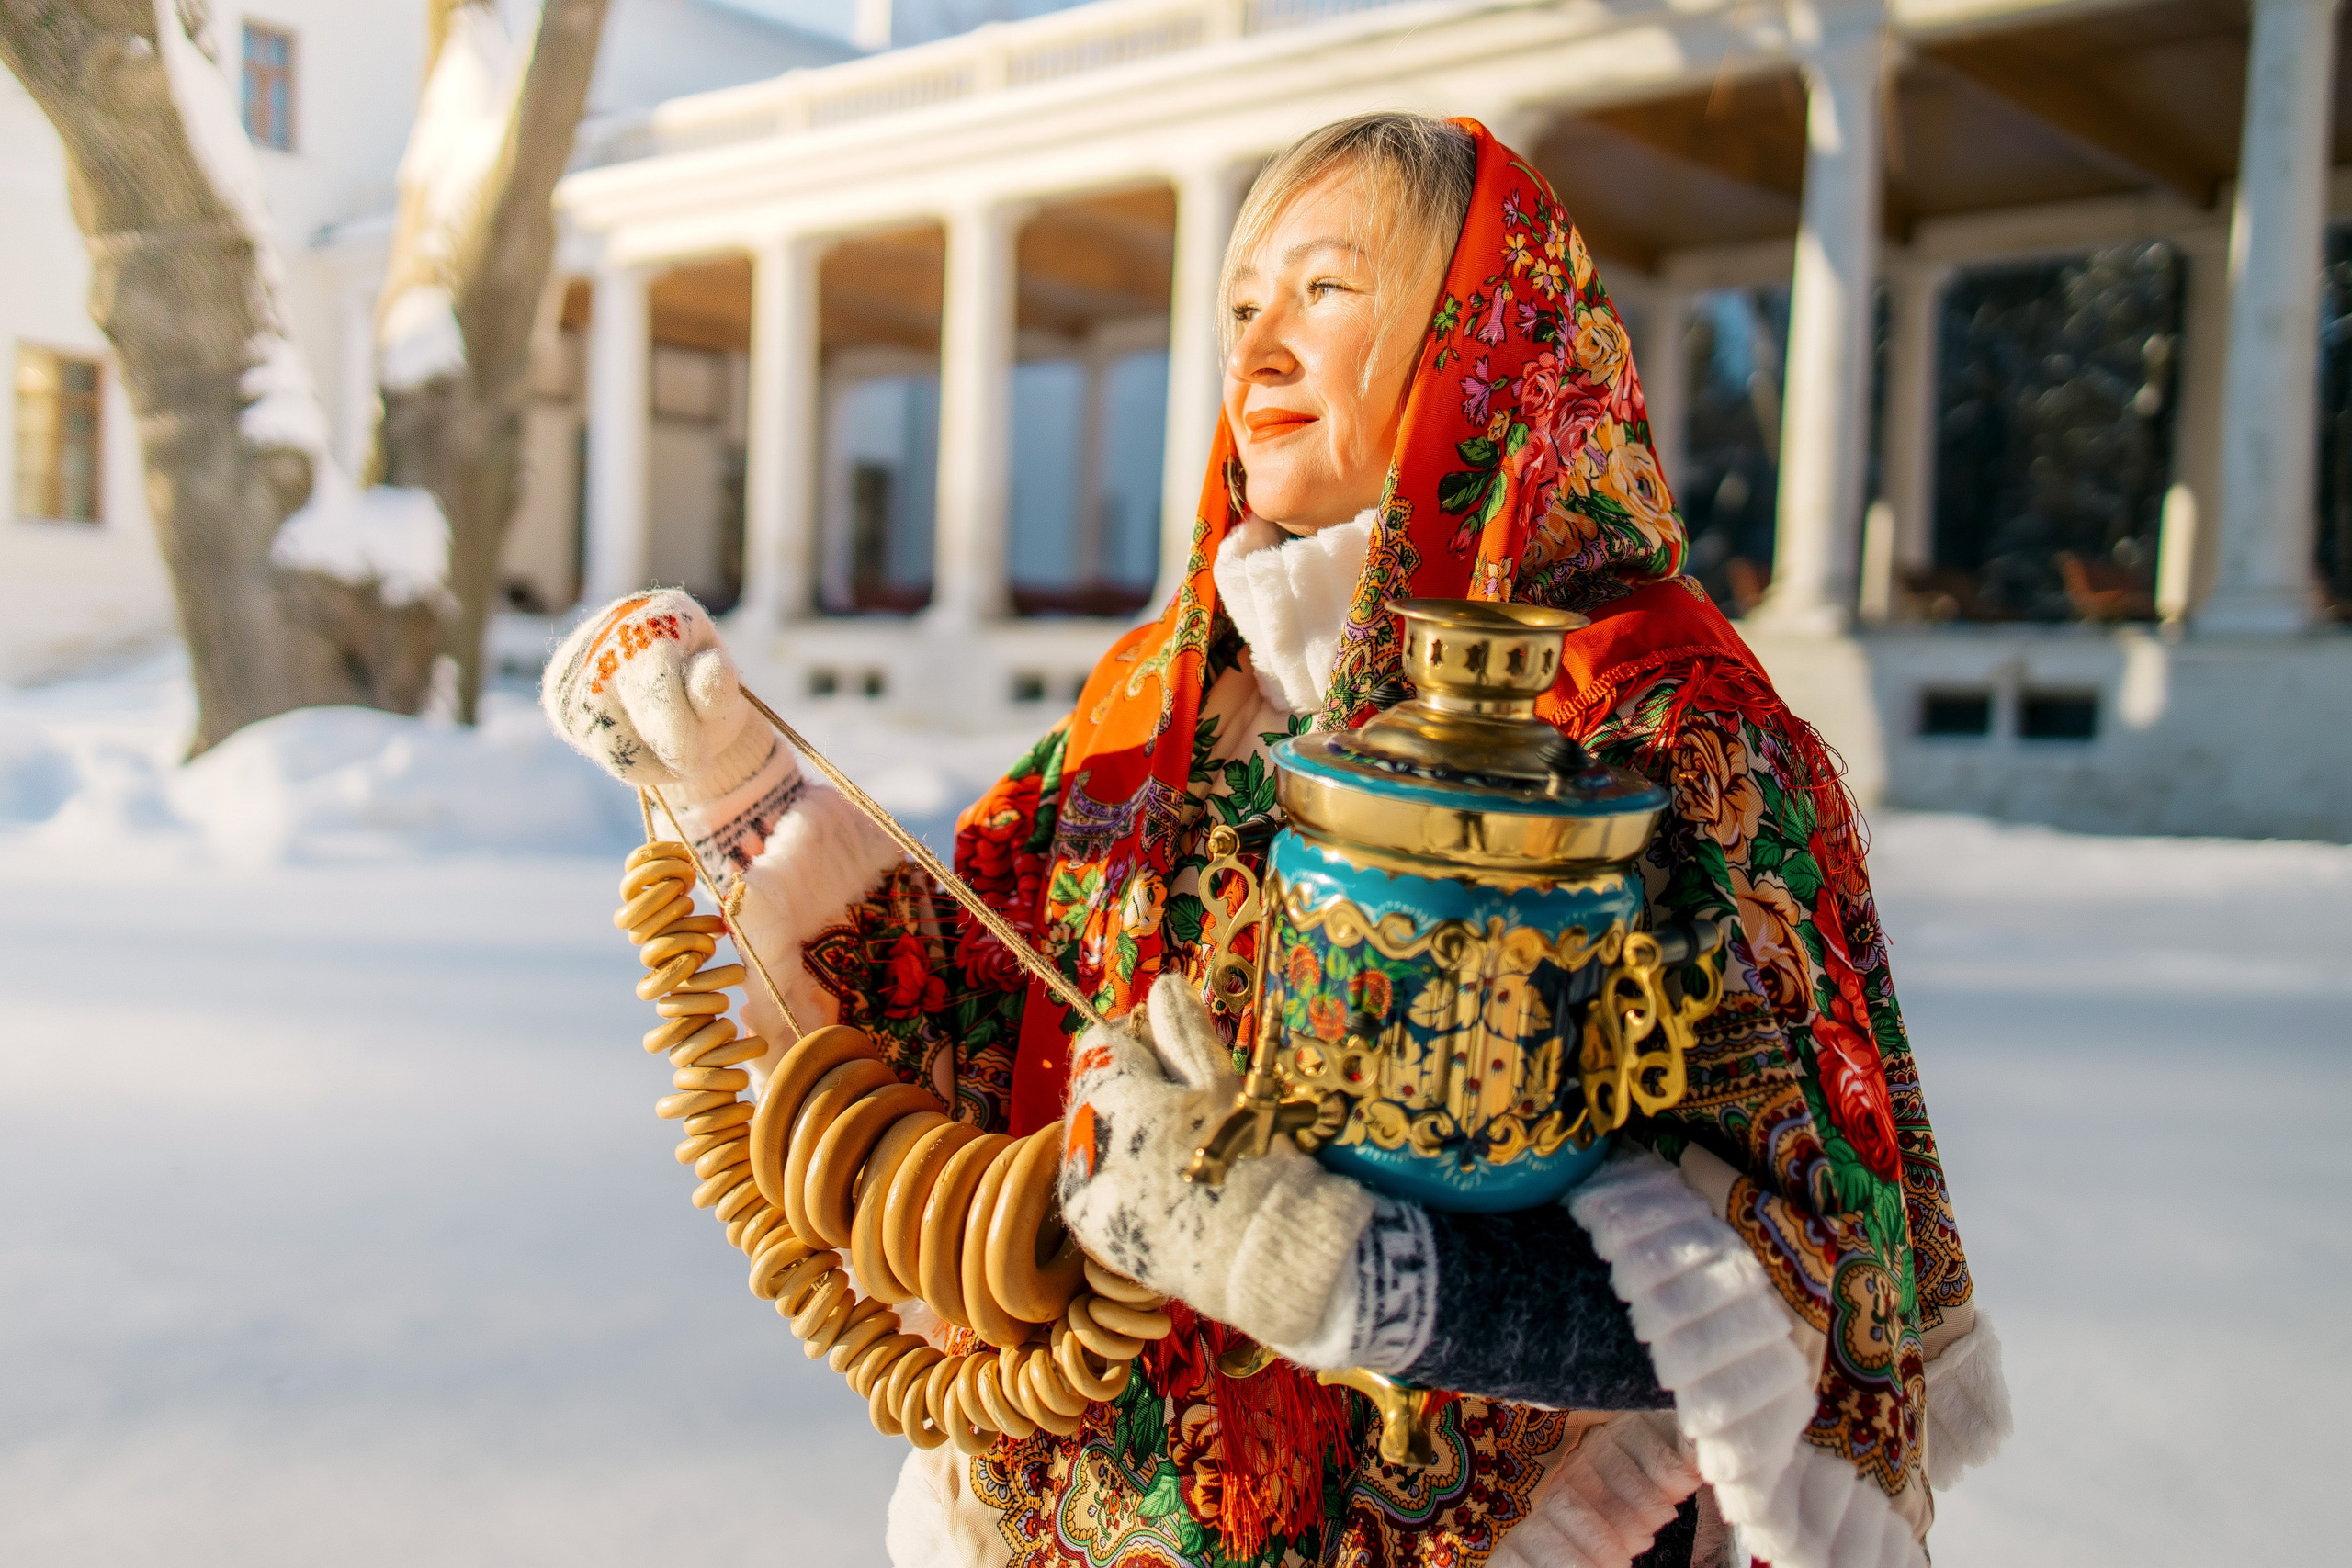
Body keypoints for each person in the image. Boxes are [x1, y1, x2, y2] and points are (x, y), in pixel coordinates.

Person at [544, 112, 2010, 1568]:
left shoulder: (1661, 727)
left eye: (1328, 290)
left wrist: (1338, 1270)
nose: (1255, 353)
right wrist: (741, 785)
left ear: (1481, 333)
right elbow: (982, 1041)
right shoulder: (1156, 707)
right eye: (1243, 304)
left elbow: (1798, 1295)